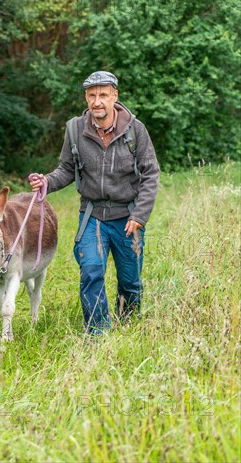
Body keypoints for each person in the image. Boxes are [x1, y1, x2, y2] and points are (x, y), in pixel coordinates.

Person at [30, 70, 159, 335]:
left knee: (130, 282)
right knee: (91, 272)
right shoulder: (75, 129)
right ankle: (97, 333)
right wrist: (47, 182)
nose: (97, 101)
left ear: (114, 96)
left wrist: (140, 216)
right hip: (93, 216)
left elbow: (150, 174)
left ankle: (129, 325)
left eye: (102, 94)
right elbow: (66, 169)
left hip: (128, 218)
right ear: (86, 98)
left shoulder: (136, 130)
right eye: (91, 95)